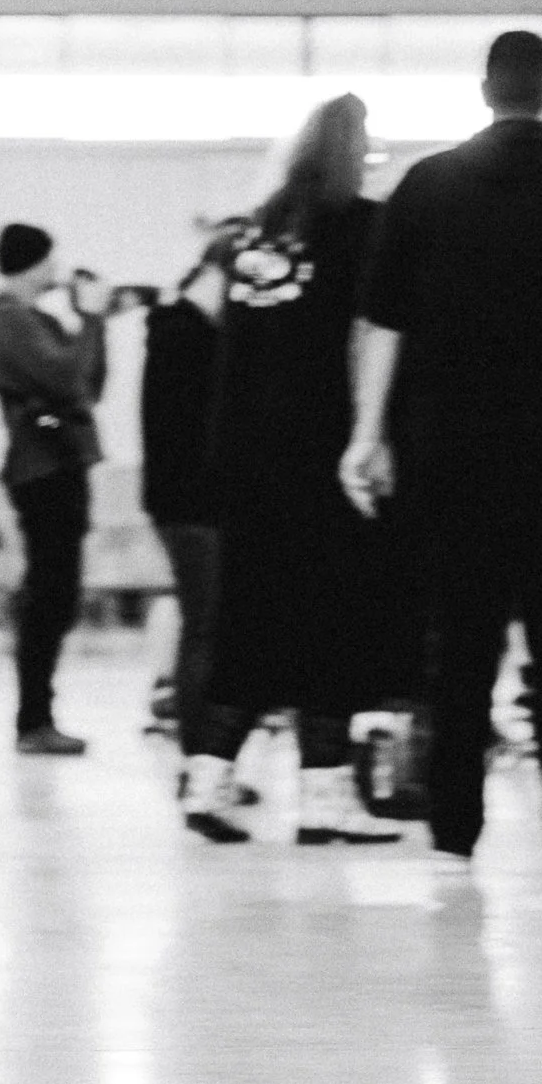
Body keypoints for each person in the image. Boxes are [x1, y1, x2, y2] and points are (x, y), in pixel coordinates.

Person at [341, 29, 542, 872]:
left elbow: (383, 324)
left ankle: (453, 831)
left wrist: (367, 435)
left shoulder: (425, 186)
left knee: (459, 641)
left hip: (450, 453)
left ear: (484, 93)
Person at [181, 95, 404, 844]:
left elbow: (217, 336)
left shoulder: (256, 230)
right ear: (353, 151)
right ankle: (323, 797)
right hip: (322, 451)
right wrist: (373, 438)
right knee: (334, 623)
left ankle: (208, 781)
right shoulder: (363, 226)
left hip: (243, 456)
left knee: (248, 622)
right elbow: (372, 334)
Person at [0, 222, 104, 755]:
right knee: (49, 597)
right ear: (33, 263)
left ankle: (38, 717)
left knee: (59, 595)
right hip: (42, 468)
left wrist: (92, 323)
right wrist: (92, 319)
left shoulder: (40, 319)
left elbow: (89, 386)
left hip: (61, 464)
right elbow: (65, 378)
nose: (57, 270)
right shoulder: (9, 315)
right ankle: (33, 720)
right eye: (50, 261)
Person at [138, 235, 228, 753]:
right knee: (204, 630)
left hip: (184, 500)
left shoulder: (179, 328)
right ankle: (201, 755)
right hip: (191, 502)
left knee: (205, 627)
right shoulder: (187, 335)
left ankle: (205, 755)